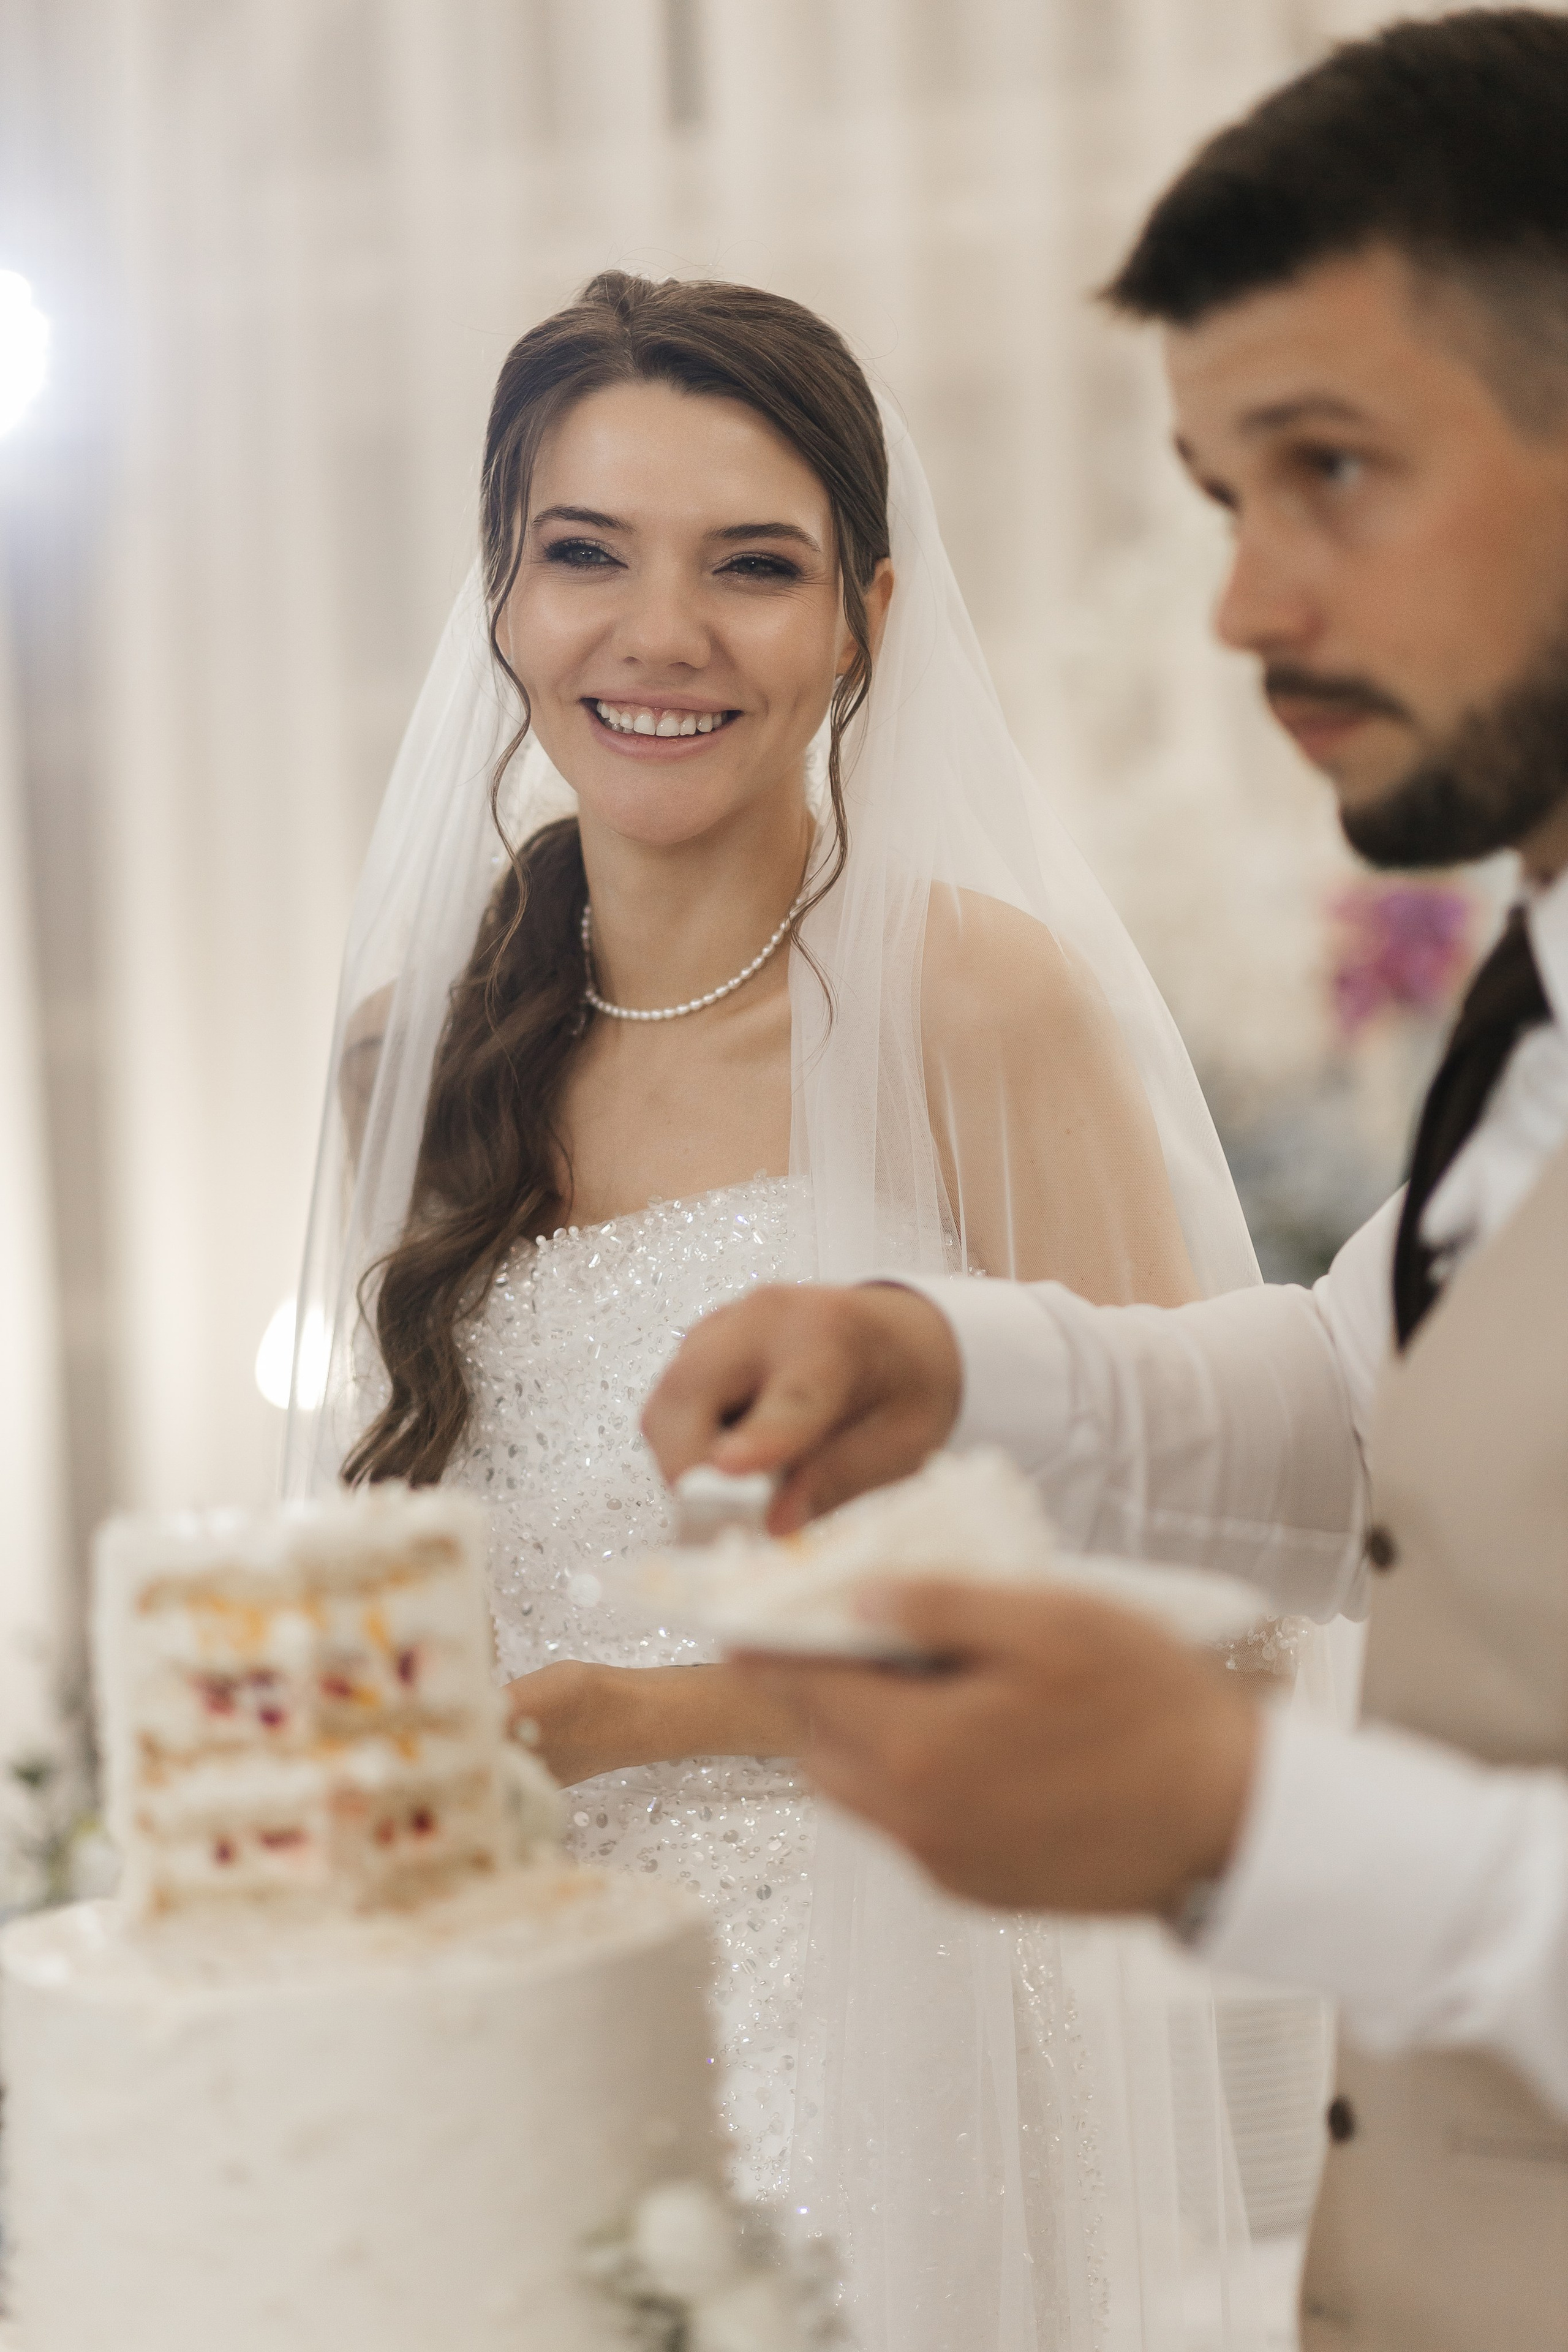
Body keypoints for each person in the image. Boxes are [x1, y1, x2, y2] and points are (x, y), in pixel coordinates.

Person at [641, 16, 1568, 2352]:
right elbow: (1371, 1408)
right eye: (1221, 497)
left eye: (1330, 471)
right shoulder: (1530, 996)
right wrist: (951, 1369)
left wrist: (1238, 1818)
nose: (1247, 607)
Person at [285, 269, 1293, 2349]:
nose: (659, 635)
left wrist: (656, 1717)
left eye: (753, 567)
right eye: (587, 555)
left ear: (867, 625)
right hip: (520, 2015)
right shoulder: (414, 1048)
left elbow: (1220, 1605)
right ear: (501, 597)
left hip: (893, 2016)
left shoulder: (965, 1001)